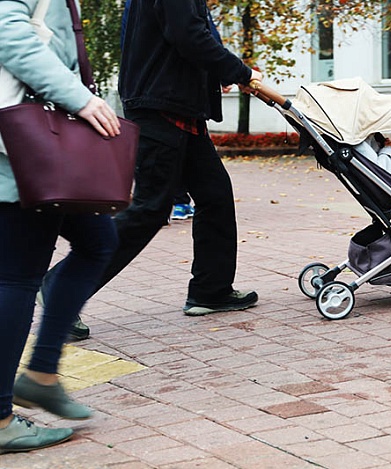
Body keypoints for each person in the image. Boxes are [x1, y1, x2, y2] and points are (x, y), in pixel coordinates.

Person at [46, 0, 264, 328]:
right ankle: (62, 286)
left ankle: (211, 289)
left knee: (215, 194)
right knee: (151, 208)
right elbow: (188, 34)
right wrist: (238, 70)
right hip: (162, 106)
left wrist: (217, 68)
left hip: (176, 104)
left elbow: (193, 29)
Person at [0, 0, 122, 453]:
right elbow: (9, 36)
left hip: (46, 148)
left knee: (97, 242)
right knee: (16, 277)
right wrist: (81, 98)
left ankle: (42, 373)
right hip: (22, 147)